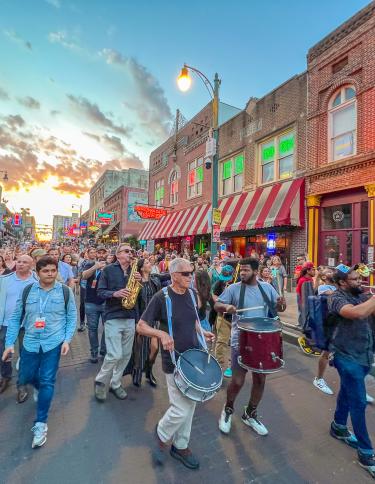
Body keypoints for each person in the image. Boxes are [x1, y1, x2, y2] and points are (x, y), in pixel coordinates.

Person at [137, 258, 214, 470]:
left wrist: (203, 332)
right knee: (180, 408)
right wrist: (161, 333)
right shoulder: (161, 297)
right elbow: (141, 326)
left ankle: (180, 446)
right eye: (186, 273)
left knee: (190, 405)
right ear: (173, 276)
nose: (191, 276)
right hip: (173, 360)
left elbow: (193, 322)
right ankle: (162, 433)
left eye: (192, 272)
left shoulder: (191, 294)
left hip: (193, 357)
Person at [1, 256, 77, 448]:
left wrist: (67, 340)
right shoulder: (28, 291)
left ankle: (41, 424)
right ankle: (35, 385)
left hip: (53, 343)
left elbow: (71, 317)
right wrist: (10, 343)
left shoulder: (65, 292)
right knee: (25, 377)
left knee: (47, 381)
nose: (50, 274)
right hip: (30, 342)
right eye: (46, 271)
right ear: (38, 272)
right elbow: (16, 317)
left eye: (53, 270)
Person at [215, 257, 286, 436]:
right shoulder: (233, 288)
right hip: (241, 339)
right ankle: (228, 409)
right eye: (241, 270)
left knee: (260, 380)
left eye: (246, 270)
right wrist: (226, 306)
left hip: (262, 340)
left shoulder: (267, 288)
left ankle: (250, 413)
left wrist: (281, 304)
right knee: (238, 381)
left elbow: (280, 308)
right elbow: (216, 304)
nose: (242, 273)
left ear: (256, 271)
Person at [328, 266, 375, 478]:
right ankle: (366, 454)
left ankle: (338, 426)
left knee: (347, 392)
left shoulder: (362, 295)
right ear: (342, 283)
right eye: (355, 279)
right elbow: (355, 313)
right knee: (358, 401)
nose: (360, 281)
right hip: (345, 356)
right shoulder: (336, 297)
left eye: (360, 278)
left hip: (364, 354)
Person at [94, 244, 140, 402]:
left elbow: (139, 296)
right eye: (127, 251)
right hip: (113, 316)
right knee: (114, 354)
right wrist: (115, 293)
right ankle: (101, 381)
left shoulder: (135, 271)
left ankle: (116, 382)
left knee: (126, 354)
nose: (130, 253)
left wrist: (142, 281)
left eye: (131, 251)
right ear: (118, 254)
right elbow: (100, 292)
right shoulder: (108, 270)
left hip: (130, 316)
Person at [0, 255, 37, 394]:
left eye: (25, 262)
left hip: (27, 325)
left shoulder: (37, 281)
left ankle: (22, 383)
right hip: (5, 324)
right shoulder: (4, 280)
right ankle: (5, 376)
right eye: (19, 261)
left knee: (25, 354)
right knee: (3, 353)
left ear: (32, 264)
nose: (21, 264)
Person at [130, 258, 163, 387]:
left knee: (154, 348)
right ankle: (137, 373)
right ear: (142, 268)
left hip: (154, 319)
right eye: (148, 263)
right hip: (142, 319)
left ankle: (149, 371)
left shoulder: (154, 279)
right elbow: (134, 304)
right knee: (140, 349)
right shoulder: (136, 282)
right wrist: (136, 321)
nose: (150, 265)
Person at [81, 256, 107, 363]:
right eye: (99, 252)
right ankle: (94, 352)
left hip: (106, 302)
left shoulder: (110, 266)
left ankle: (104, 350)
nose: (101, 254)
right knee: (92, 329)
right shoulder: (90, 264)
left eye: (104, 252)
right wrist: (95, 267)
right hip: (91, 303)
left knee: (108, 328)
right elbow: (84, 276)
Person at [212, 265, 235, 378]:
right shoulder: (219, 283)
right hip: (223, 316)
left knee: (235, 344)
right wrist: (221, 302)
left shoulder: (239, 284)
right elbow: (214, 295)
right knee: (221, 342)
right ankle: (219, 365)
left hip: (236, 318)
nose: (226, 280)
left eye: (228, 278)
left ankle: (232, 366)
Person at [296, 262, 320, 356]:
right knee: (310, 329)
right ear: (308, 270)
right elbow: (308, 299)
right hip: (306, 309)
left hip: (307, 309)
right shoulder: (304, 281)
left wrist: (317, 279)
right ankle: (307, 342)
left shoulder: (308, 279)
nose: (315, 271)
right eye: (313, 269)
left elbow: (313, 292)